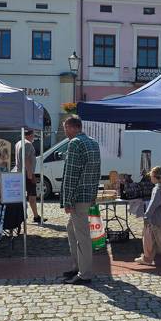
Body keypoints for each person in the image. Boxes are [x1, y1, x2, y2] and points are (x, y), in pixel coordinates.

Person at [60, 116, 101, 285]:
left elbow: (71, 174)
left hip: (78, 197)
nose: (65, 132)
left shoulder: (75, 143)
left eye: (65, 128)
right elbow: (97, 172)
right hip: (87, 195)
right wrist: (93, 195)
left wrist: (67, 201)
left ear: (72, 127)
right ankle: (77, 266)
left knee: (82, 236)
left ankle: (85, 274)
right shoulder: (93, 143)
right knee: (71, 229)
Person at [15, 130, 45, 223]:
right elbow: (26, 159)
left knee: (22, 196)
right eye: (33, 136)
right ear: (31, 135)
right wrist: (30, 175)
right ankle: (35, 216)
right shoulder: (27, 144)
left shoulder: (18, 143)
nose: (34, 138)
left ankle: (33, 215)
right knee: (32, 195)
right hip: (27, 173)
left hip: (20, 173)